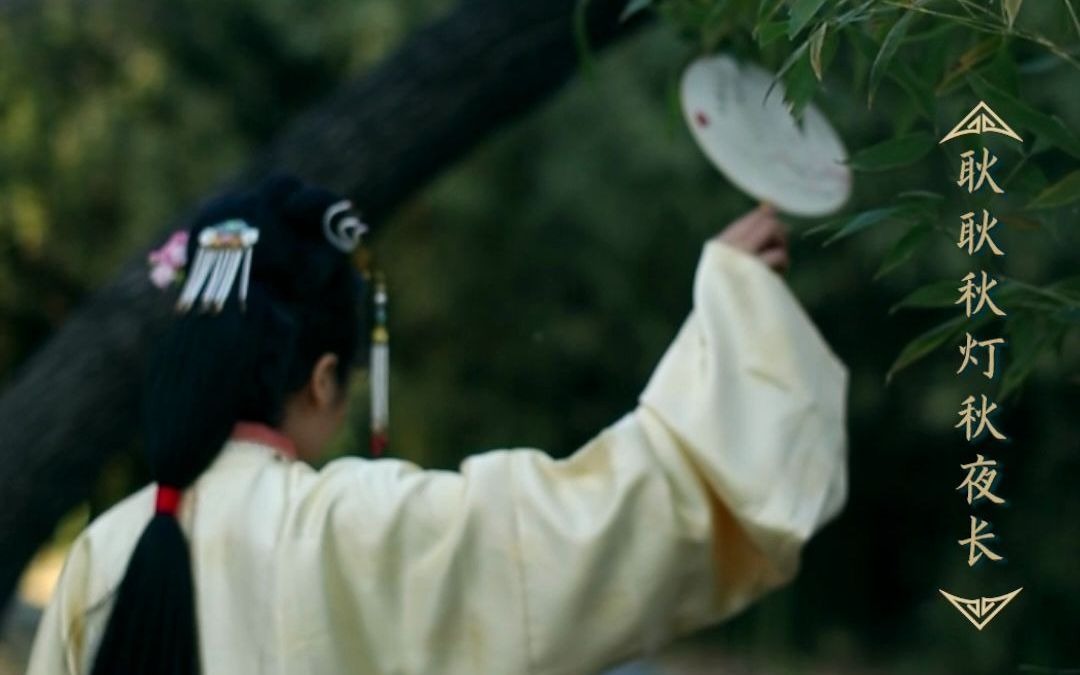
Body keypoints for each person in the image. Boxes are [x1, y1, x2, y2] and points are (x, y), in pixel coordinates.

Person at [25, 175, 848, 675]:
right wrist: (734, 305)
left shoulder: (106, 552)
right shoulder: (360, 525)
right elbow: (602, 527)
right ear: (321, 382)